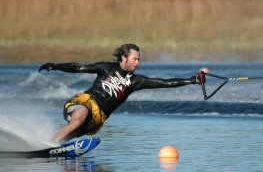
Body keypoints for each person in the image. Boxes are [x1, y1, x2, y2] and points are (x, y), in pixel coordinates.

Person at [39, 44, 202, 143]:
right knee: (78, 120)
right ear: (124, 58)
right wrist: (55, 65)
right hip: (84, 103)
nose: (138, 63)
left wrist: (191, 80)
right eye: (135, 59)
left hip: (98, 117)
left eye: (139, 59)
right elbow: (78, 67)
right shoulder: (106, 67)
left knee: (73, 133)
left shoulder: (135, 81)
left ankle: (47, 146)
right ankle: (50, 144)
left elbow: (165, 83)